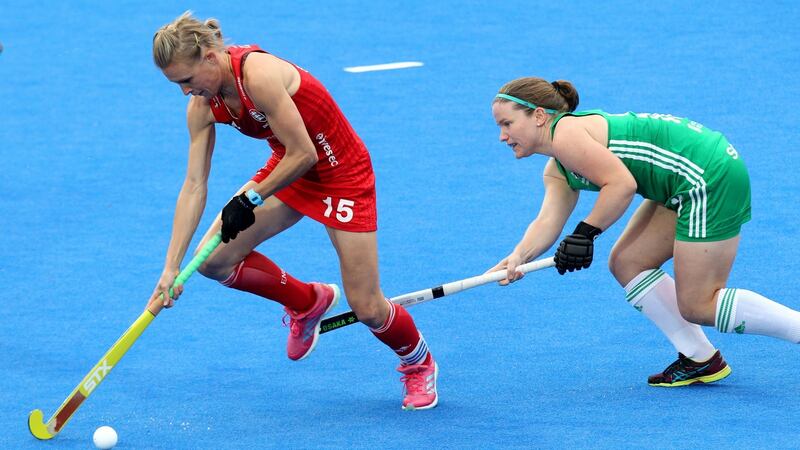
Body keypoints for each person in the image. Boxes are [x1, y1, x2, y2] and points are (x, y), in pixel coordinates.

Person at [147, 11, 438, 410]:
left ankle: (417, 363)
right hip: (289, 168)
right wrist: (171, 267)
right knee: (213, 261)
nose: (184, 92)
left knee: (368, 306)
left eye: (186, 80)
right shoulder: (201, 105)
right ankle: (307, 301)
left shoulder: (259, 75)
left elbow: (307, 153)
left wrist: (250, 199)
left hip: (340, 172)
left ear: (209, 59)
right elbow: (194, 185)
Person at [488, 76, 800, 386]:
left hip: (707, 176)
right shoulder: (558, 167)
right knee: (628, 262)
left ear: (539, 116)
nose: (502, 136)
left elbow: (621, 184)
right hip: (680, 180)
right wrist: (519, 257)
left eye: (507, 123)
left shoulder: (566, 133)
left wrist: (585, 233)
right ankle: (699, 357)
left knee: (698, 304)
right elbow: (547, 222)